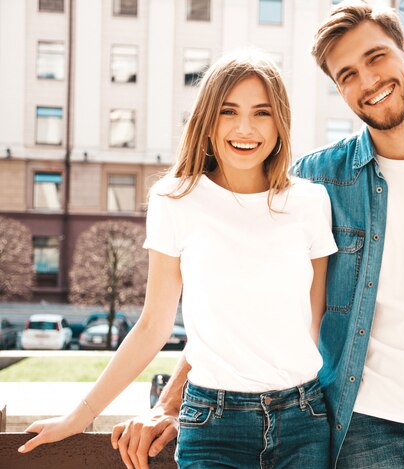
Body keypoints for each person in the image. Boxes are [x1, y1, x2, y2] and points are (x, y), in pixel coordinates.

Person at [112, 1, 404, 468]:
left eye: (376, 57)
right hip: (364, 429)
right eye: (347, 76)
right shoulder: (317, 182)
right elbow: (242, 307)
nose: (368, 82)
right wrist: (170, 403)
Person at [17, 50, 338, 469]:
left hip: (304, 418)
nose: (245, 128)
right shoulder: (176, 200)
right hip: (213, 425)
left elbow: (314, 321)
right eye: (228, 112)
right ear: (207, 121)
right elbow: (153, 325)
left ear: (280, 122)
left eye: (262, 112)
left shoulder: (310, 202)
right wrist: (81, 414)